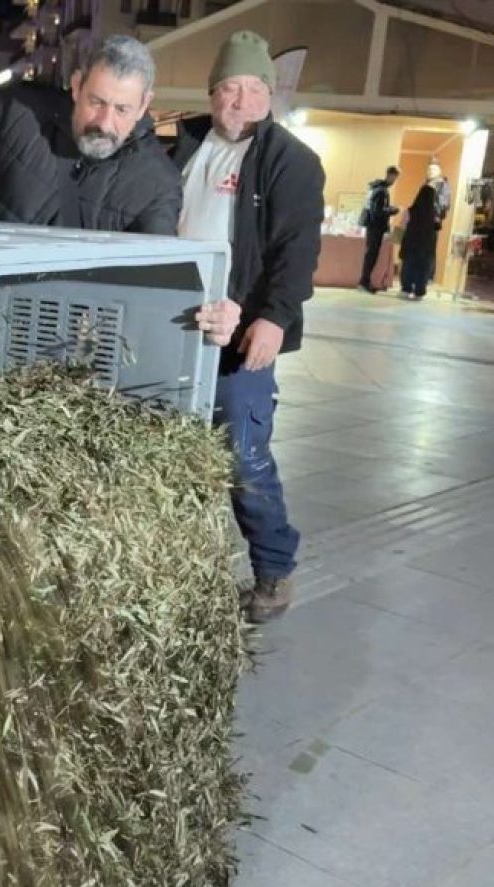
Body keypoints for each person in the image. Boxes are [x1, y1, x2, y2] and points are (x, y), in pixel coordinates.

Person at [172, 30, 326, 623]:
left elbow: (297, 251)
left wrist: (272, 320)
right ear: (212, 94)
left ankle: (274, 567)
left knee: (243, 455)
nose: (240, 100)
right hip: (177, 326)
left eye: (253, 88)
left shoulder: (290, 161)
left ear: (270, 94)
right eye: (228, 88)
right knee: (173, 453)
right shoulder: (180, 146)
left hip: (242, 337)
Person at [0, 35, 181, 234]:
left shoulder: (160, 181)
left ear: (144, 105)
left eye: (122, 109)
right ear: (76, 86)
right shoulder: (14, 112)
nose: (105, 123)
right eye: (96, 102)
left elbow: (152, 276)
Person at [358, 165, 400, 293]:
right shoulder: (382, 191)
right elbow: (378, 211)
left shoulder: (374, 188)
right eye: (394, 178)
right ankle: (364, 281)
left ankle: (364, 280)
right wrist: (393, 210)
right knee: (372, 254)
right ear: (391, 176)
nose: (394, 181)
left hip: (372, 225)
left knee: (370, 253)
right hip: (376, 226)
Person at [399, 183, 439, 300]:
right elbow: (437, 228)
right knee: (423, 269)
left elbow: (402, 226)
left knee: (408, 266)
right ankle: (419, 292)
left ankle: (406, 289)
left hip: (411, 244)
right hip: (426, 247)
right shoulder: (434, 214)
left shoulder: (410, 211)